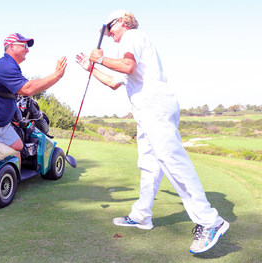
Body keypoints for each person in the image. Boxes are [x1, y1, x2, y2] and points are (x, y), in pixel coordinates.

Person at [75, 10, 229, 254]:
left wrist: (100, 59)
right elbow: (115, 82)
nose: (108, 33)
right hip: (147, 111)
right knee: (148, 164)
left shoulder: (131, 37)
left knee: (172, 160)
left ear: (122, 22)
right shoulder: (132, 44)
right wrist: (90, 67)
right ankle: (142, 215)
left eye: (109, 28)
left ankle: (211, 221)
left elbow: (126, 66)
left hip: (154, 108)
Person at [0, 33, 67, 160]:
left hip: (0, 125)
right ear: (11, 47)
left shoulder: (12, 66)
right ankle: (11, 178)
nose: (27, 50)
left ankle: (14, 177)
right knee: (13, 155)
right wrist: (57, 75)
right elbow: (28, 89)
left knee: (19, 146)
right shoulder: (4, 65)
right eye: (24, 46)